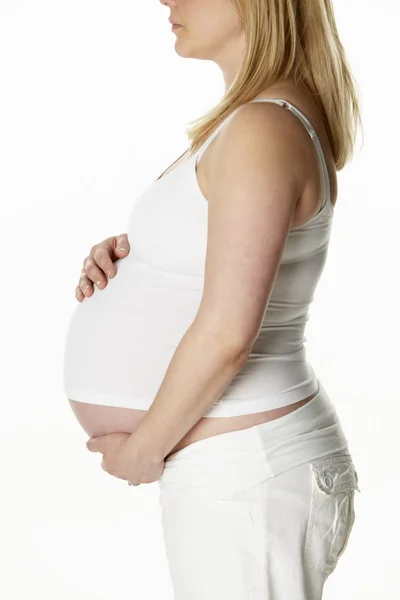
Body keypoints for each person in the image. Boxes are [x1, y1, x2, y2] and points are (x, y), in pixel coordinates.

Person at [65, 0, 363, 598]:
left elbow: (230, 333)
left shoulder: (263, 126)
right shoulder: (254, 121)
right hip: (241, 475)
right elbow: (226, 262)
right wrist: (139, 256)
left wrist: (143, 452)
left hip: (247, 477)